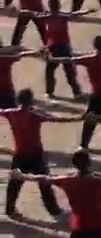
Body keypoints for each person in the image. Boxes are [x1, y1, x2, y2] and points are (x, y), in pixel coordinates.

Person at [2, 88, 73, 219]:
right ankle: (54, 211)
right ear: (31, 101)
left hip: (20, 155)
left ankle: (10, 210)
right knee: (44, 183)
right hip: (36, 155)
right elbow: (58, 119)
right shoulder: (36, 115)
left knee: (15, 184)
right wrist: (80, 117)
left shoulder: (11, 113)